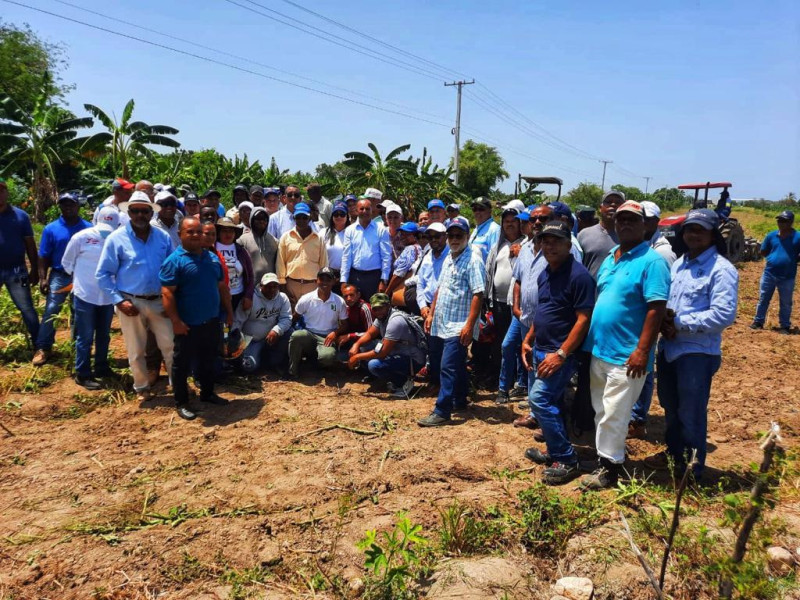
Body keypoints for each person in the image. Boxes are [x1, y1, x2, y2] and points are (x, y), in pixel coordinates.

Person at [580, 200, 671, 490]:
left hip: (627, 353)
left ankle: (610, 468)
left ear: (645, 225)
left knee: (615, 413)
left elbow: (656, 308)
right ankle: (603, 457)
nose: (626, 224)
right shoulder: (611, 257)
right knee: (601, 410)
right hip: (600, 348)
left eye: (633, 220)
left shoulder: (652, 261)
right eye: (621, 220)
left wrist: (643, 350)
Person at [645, 209, 738, 479]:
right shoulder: (679, 264)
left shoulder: (722, 270)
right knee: (670, 406)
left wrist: (679, 323)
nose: (693, 234)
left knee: (692, 411)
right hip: (670, 349)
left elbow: (723, 314)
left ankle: (693, 467)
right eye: (689, 229)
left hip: (696, 353)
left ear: (712, 234)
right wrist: (664, 323)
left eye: (700, 229)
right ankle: (675, 453)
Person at [521, 222, 596, 485]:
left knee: (539, 399)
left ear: (568, 244)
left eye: (556, 240)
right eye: (545, 240)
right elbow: (544, 311)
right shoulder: (546, 273)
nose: (549, 245)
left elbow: (583, 320)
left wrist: (562, 354)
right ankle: (555, 450)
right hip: (540, 348)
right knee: (549, 402)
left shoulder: (579, 276)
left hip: (560, 353)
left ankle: (566, 458)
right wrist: (529, 338)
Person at [96, 192, 175, 401]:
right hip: (131, 302)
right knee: (136, 349)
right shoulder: (116, 239)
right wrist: (119, 301)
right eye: (135, 211)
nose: (140, 215)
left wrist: (171, 300)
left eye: (144, 211)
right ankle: (142, 387)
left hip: (159, 300)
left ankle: (178, 386)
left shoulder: (163, 237)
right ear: (128, 213)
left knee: (170, 345)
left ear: (151, 213)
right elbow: (102, 274)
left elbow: (172, 270)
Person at [161, 217, 233, 420]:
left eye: (198, 232)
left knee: (208, 359)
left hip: (211, 320)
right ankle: (182, 402)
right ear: (180, 234)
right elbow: (167, 293)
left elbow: (222, 287)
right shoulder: (174, 261)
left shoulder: (212, 259)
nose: (195, 235)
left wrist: (229, 311)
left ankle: (208, 393)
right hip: (187, 324)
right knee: (181, 364)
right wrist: (176, 321)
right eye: (189, 232)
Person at [418, 217, 486, 427]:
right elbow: (440, 288)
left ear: (467, 236)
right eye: (451, 235)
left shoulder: (473, 260)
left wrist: (469, 325)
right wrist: (431, 314)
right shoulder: (449, 257)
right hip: (442, 321)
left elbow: (478, 294)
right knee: (454, 364)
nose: (454, 239)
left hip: (459, 324)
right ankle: (459, 399)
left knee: (447, 367)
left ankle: (442, 411)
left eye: (459, 235)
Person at [628, 200, 677, 438]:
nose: (641, 223)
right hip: (633, 318)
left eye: (645, 219)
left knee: (644, 368)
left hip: (649, 317)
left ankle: (637, 418)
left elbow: (661, 296)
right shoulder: (639, 244)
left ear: (655, 222)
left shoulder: (662, 252)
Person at [62, 207, 120, 389]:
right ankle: (83, 372)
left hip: (107, 296)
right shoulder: (81, 237)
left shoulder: (118, 240)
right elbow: (67, 263)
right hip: (85, 295)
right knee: (85, 336)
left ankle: (102, 367)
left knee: (104, 334)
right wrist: (81, 280)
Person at [32, 193, 91, 366]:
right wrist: (43, 278)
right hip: (59, 275)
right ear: (60, 207)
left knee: (79, 311)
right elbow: (43, 256)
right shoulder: (51, 228)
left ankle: (77, 348)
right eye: (64, 205)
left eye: (71, 205)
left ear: (78, 206)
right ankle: (43, 348)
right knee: (51, 309)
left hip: (81, 275)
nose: (68, 208)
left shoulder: (88, 228)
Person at [509, 205, 552, 428]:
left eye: (543, 218)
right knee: (531, 365)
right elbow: (518, 280)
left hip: (548, 323)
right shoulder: (525, 248)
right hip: (526, 319)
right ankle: (535, 411)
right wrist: (516, 307)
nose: (537, 223)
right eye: (534, 219)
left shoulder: (560, 247)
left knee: (547, 367)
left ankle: (546, 415)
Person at [349, 293, 427, 398]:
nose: (378, 311)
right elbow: (370, 333)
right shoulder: (381, 317)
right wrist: (356, 344)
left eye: (381, 308)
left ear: (388, 305)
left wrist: (357, 357)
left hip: (412, 358)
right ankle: (385, 379)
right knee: (364, 346)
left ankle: (403, 382)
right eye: (375, 309)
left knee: (374, 365)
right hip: (396, 352)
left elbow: (382, 352)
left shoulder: (395, 321)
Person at [486, 206, 526, 403]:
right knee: (501, 342)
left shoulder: (525, 245)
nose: (509, 224)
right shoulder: (499, 246)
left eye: (513, 220)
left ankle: (518, 383)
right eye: (506, 221)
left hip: (516, 304)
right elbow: (489, 272)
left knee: (515, 345)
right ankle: (503, 380)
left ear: (520, 223)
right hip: (498, 302)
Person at [288, 267, 348, 378]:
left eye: (328, 279)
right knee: (297, 335)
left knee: (328, 358)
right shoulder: (306, 298)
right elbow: (295, 317)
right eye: (322, 279)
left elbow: (345, 325)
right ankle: (293, 371)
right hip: (309, 335)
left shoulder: (340, 301)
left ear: (334, 281)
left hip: (327, 337)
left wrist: (335, 333)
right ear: (316, 281)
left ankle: (314, 362)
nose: (324, 282)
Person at [0, 178, 40, 346]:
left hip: (16, 271)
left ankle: (39, 344)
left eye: (1, 190)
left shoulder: (20, 216)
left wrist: (35, 270)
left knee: (26, 308)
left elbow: (30, 244)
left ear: (6, 192)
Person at [751, 210, 800, 334]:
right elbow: (764, 251)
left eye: (784, 221)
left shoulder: (797, 237)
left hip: (788, 275)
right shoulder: (771, 235)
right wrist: (774, 258)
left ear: (791, 222)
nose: (781, 223)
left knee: (786, 302)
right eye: (779, 220)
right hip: (769, 273)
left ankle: (784, 326)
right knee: (763, 298)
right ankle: (758, 322)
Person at [234, 273, 292, 374]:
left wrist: (276, 330)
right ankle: (259, 358)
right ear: (261, 286)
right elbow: (238, 320)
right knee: (248, 366)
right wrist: (236, 339)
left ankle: (274, 361)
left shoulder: (282, 298)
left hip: (270, 338)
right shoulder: (251, 298)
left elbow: (286, 319)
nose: (272, 290)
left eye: (275, 286)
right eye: (268, 287)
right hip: (251, 340)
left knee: (290, 332)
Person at [276, 202, 328, 306]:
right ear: (294, 218)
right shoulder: (286, 237)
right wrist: (283, 287)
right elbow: (280, 262)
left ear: (309, 218)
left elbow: (324, 265)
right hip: (291, 285)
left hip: (312, 286)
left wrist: (322, 286)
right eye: (298, 217)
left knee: (310, 319)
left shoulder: (318, 239)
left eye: (304, 217)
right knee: (292, 317)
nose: (301, 220)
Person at [340, 199, 392, 301]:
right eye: (362, 209)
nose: (364, 211)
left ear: (371, 210)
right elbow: (346, 256)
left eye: (367, 209)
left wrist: (384, 280)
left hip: (374, 277)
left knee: (374, 308)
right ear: (356, 210)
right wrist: (343, 280)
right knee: (355, 309)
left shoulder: (380, 229)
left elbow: (386, 256)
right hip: (355, 276)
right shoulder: (350, 230)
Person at [577, 190, 624, 278]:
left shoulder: (628, 237)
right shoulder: (584, 235)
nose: (613, 205)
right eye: (608, 202)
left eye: (618, 202)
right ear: (600, 207)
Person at [215, 218, 255, 312]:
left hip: (238, 295)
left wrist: (248, 296)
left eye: (231, 231)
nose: (228, 234)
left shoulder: (241, 250)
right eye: (224, 231)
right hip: (217, 296)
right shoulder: (212, 249)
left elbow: (250, 274)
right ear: (218, 233)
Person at [237, 206, 277, 284]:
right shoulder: (242, 240)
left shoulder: (274, 241)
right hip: (250, 285)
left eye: (264, 219)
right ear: (252, 219)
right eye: (258, 219)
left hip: (270, 287)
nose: (261, 221)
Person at [336, 283, 374, 358]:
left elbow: (372, 334)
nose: (349, 298)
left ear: (358, 295)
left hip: (366, 342)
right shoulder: (345, 307)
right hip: (351, 340)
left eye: (351, 295)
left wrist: (350, 336)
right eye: (345, 296)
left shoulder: (365, 308)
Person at [386, 222, 422, 298]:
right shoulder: (420, 247)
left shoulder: (410, 249)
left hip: (404, 289)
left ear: (415, 235)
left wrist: (387, 292)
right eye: (402, 234)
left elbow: (399, 274)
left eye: (407, 235)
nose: (402, 237)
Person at [321, 201, 349, 277]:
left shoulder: (353, 233)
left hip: (348, 275)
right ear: (332, 216)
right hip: (328, 275)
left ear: (347, 216)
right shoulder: (323, 233)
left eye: (342, 214)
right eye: (336, 214)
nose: (339, 217)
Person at [469, 197, 501, 263]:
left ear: (490, 211)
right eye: (475, 209)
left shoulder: (495, 229)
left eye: (481, 209)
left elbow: (494, 259)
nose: (477, 212)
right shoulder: (476, 229)